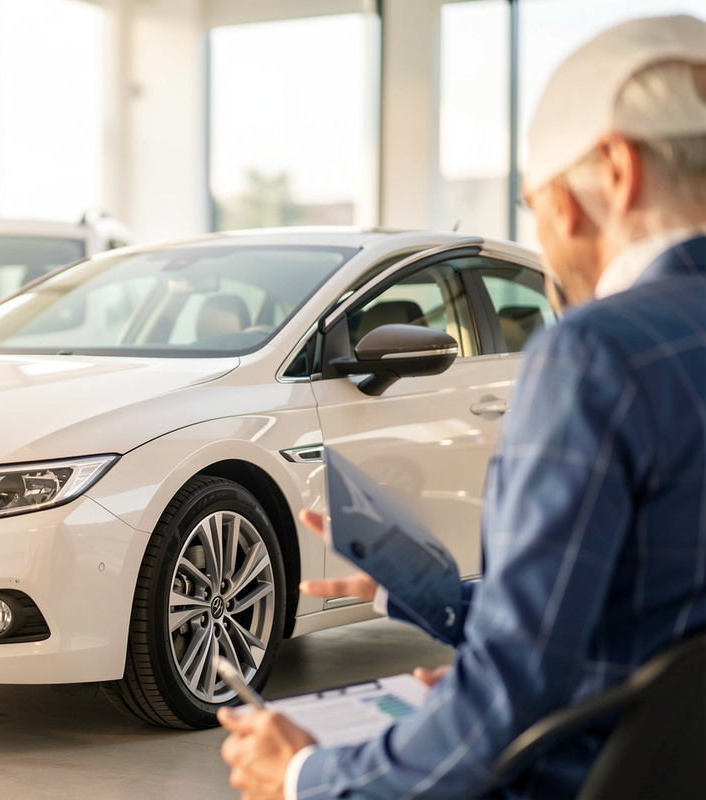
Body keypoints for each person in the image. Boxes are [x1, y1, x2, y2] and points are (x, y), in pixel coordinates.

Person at [219, 14, 706, 800]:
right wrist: (436, 599)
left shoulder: (595, 354)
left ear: (616, 172)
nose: (547, 239)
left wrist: (306, 774)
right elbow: (649, 618)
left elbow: (510, 700)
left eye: (538, 202)